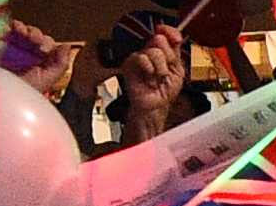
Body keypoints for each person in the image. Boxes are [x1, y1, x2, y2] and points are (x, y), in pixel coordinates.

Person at [78, 10, 200, 153]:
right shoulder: (116, 158)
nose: (168, 113)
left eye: (175, 103)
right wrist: (80, 86)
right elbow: (72, 158)